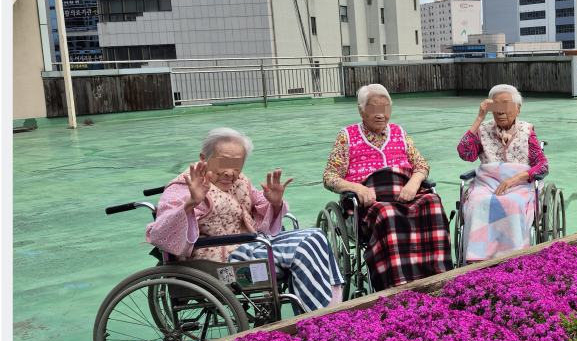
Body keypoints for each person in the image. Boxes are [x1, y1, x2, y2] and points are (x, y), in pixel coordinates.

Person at [146, 128, 343, 313]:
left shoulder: (240, 182)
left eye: (236, 165)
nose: (229, 172)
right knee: (302, 249)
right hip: (218, 264)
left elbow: (260, 207)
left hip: (248, 246)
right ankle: (318, 318)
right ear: (204, 158)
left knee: (316, 235)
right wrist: (190, 204)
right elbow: (161, 234)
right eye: (223, 163)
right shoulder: (183, 187)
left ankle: (334, 308)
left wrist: (275, 203)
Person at [323, 84, 452, 289]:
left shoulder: (399, 132)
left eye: (385, 108)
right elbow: (329, 176)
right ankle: (398, 284)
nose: (380, 114)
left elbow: (421, 165)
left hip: (404, 191)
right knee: (387, 213)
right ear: (361, 110)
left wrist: (414, 183)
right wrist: (358, 188)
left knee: (432, 202)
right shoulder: (346, 136)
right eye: (374, 108)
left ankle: (438, 276)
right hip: (369, 200)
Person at [456, 84, 549, 262]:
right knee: (477, 203)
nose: (500, 111)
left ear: (518, 108)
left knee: (512, 203)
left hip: (519, 184)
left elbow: (543, 165)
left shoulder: (527, 131)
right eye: (496, 106)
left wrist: (514, 179)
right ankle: (477, 258)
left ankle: (513, 257)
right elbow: (465, 153)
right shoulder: (482, 130)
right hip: (487, 184)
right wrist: (479, 118)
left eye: (505, 105)